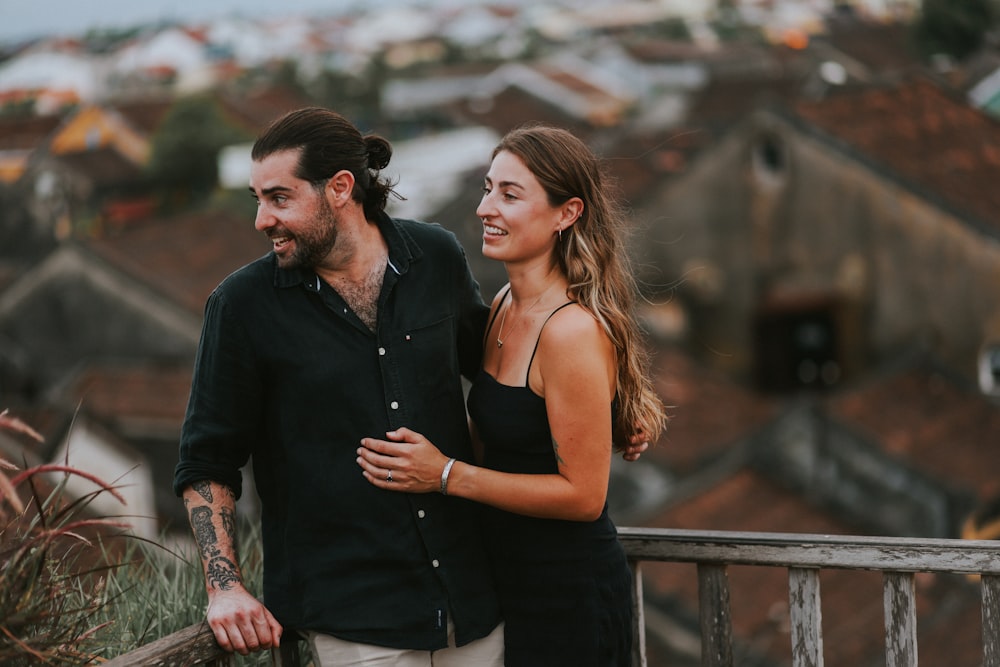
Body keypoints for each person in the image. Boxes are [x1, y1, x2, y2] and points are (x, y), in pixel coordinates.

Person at [172, 107, 507, 666]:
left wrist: (604, 409)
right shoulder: (241, 306)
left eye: (279, 198)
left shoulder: (437, 258)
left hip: (470, 600)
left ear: (341, 189)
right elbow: (206, 461)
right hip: (352, 619)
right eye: (257, 198)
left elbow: (499, 373)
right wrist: (223, 587)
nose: (261, 219)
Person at [357, 124, 667, 666]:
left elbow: (584, 496)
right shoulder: (502, 304)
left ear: (566, 213)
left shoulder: (569, 331)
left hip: (568, 595)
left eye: (510, 194)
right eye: (487, 188)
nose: (485, 208)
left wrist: (444, 474)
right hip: (506, 582)